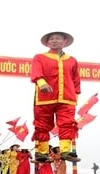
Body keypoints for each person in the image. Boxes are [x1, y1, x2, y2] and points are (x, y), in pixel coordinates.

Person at [31, 31, 81, 163]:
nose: (54, 41)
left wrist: (76, 97)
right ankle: (42, 153)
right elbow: (36, 72)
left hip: (67, 98)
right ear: (48, 42)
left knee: (67, 124)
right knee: (42, 125)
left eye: (58, 38)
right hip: (44, 98)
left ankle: (65, 151)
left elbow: (76, 80)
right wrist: (42, 83)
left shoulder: (72, 60)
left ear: (64, 41)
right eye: (51, 39)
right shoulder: (39, 57)